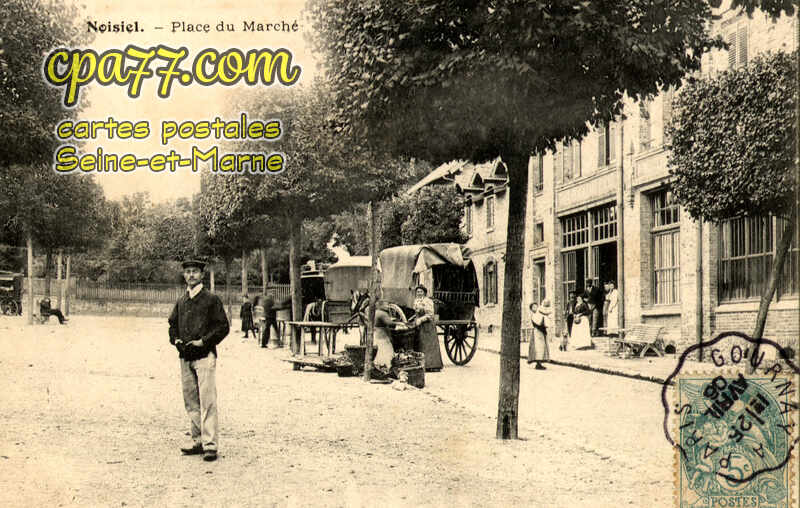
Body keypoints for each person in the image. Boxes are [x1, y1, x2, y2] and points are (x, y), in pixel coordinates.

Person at [168, 259, 229, 462]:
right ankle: (197, 441)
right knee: (191, 401)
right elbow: (172, 324)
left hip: (204, 357)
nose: (191, 275)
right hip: (185, 357)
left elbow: (222, 327)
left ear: (202, 275)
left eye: (195, 271)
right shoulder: (182, 300)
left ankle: (210, 445)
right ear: (184, 275)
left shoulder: (211, 300)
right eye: (188, 272)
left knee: (207, 401)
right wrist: (176, 340)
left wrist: (203, 342)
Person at [412, 285, 444, 371]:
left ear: (424, 293)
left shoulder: (428, 301)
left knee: (429, 344)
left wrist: (421, 320)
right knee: (421, 344)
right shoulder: (416, 301)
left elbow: (430, 315)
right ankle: (422, 365)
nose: (419, 293)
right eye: (418, 292)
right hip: (420, 326)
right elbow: (416, 313)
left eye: (421, 292)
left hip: (428, 325)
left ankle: (432, 365)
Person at [373, 299, 405, 368]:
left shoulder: (376, 312)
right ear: (381, 305)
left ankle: (379, 364)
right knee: (386, 349)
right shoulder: (382, 313)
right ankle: (386, 364)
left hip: (377, 334)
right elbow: (390, 323)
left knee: (378, 350)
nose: (388, 306)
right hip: (382, 335)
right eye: (386, 305)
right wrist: (399, 323)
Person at [528, 300, 553, 370]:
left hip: (541, 331)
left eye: (536, 306)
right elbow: (538, 323)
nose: (535, 308)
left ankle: (540, 363)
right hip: (537, 332)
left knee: (542, 347)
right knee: (538, 347)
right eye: (533, 307)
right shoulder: (533, 315)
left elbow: (545, 318)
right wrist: (543, 322)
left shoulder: (539, 314)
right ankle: (538, 363)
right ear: (531, 309)